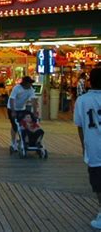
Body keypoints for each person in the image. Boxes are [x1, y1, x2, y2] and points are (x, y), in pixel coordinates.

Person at [74, 67, 101, 230]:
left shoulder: (82, 100)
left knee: (98, 184)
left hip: (94, 148)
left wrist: (84, 146)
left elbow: (80, 126)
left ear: (90, 81)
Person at [7, 76, 38, 152]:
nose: (31, 85)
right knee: (14, 126)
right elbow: (12, 99)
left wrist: (35, 112)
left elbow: (33, 100)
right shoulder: (17, 88)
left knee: (23, 124)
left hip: (22, 108)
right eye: (29, 83)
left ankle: (23, 140)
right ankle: (13, 142)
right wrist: (13, 111)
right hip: (11, 108)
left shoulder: (31, 90)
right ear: (25, 83)